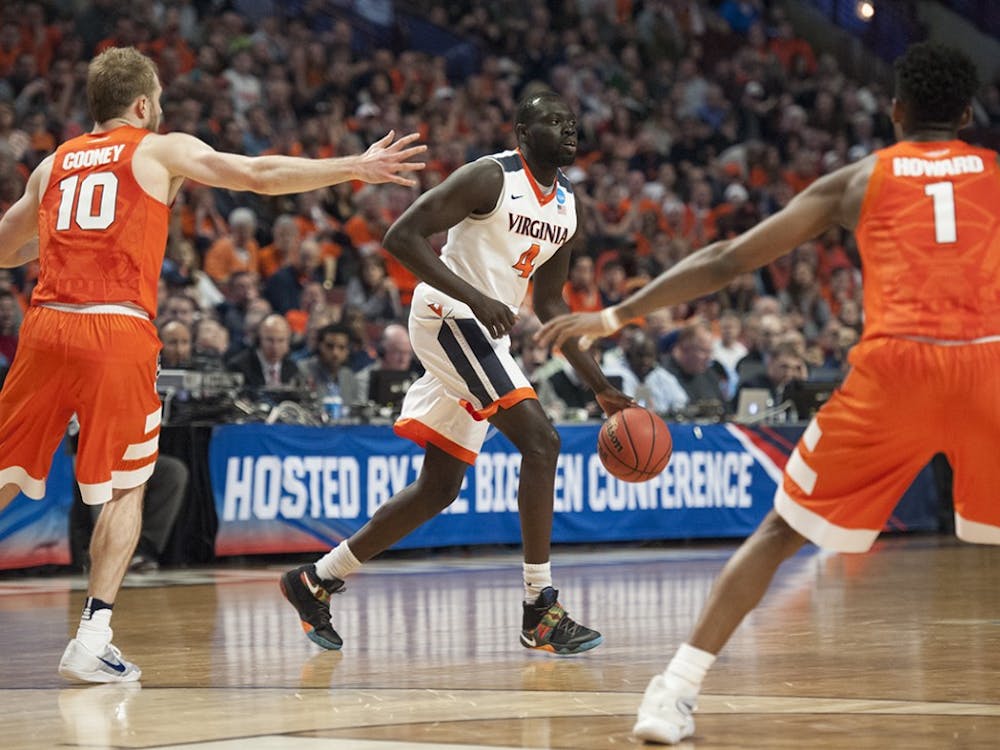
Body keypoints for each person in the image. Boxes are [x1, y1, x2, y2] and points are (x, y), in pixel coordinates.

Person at [537, 43, 996, 744]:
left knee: (782, 532)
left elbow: (727, 259)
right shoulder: (995, 172)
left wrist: (611, 317)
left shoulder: (860, 179)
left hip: (896, 369)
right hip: (989, 365)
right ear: (967, 115)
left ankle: (673, 692)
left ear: (896, 111)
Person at [0, 46, 424, 684]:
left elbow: (7, 248)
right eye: (158, 100)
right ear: (141, 104)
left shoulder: (51, 163)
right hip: (115, 326)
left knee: (6, 470)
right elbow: (257, 174)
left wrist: (66, 234)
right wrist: (353, 166)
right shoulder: (158, 149)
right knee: (127, 487)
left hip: (45, 323)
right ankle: (91, 639)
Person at [280, 90, 631, 656]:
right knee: (541, 442)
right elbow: (401, 237)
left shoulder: (567, 205)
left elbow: (551, 304)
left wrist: (601, 386)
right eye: (553, 121)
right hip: (448, 314)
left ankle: (316, 579)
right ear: (522, 133)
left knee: (439, 488)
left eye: (572, 121)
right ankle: (540, 609)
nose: (569, 129)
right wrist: (476, 297)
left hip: (483, 331)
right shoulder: (490, 177)